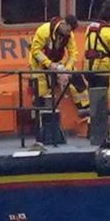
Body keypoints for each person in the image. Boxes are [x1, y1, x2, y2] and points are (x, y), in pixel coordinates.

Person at [27, 13, 79, 146]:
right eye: (68, 29)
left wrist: (67, 68)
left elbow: (73, 53)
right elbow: (35, 50)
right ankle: (41, 131)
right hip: (38, 66)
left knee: (76, 83)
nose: (69, 33)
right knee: (42, 95)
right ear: (64, 23)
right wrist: (49, 64)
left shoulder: (69, 35)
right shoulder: (44, 31)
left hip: (55, 65)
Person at [77, 19, 110, 147]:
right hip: (103, 69)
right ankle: (102, 130)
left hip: (89, 69)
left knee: (93, 99)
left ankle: (91, 127)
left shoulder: (90, 29)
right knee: (103, 99)